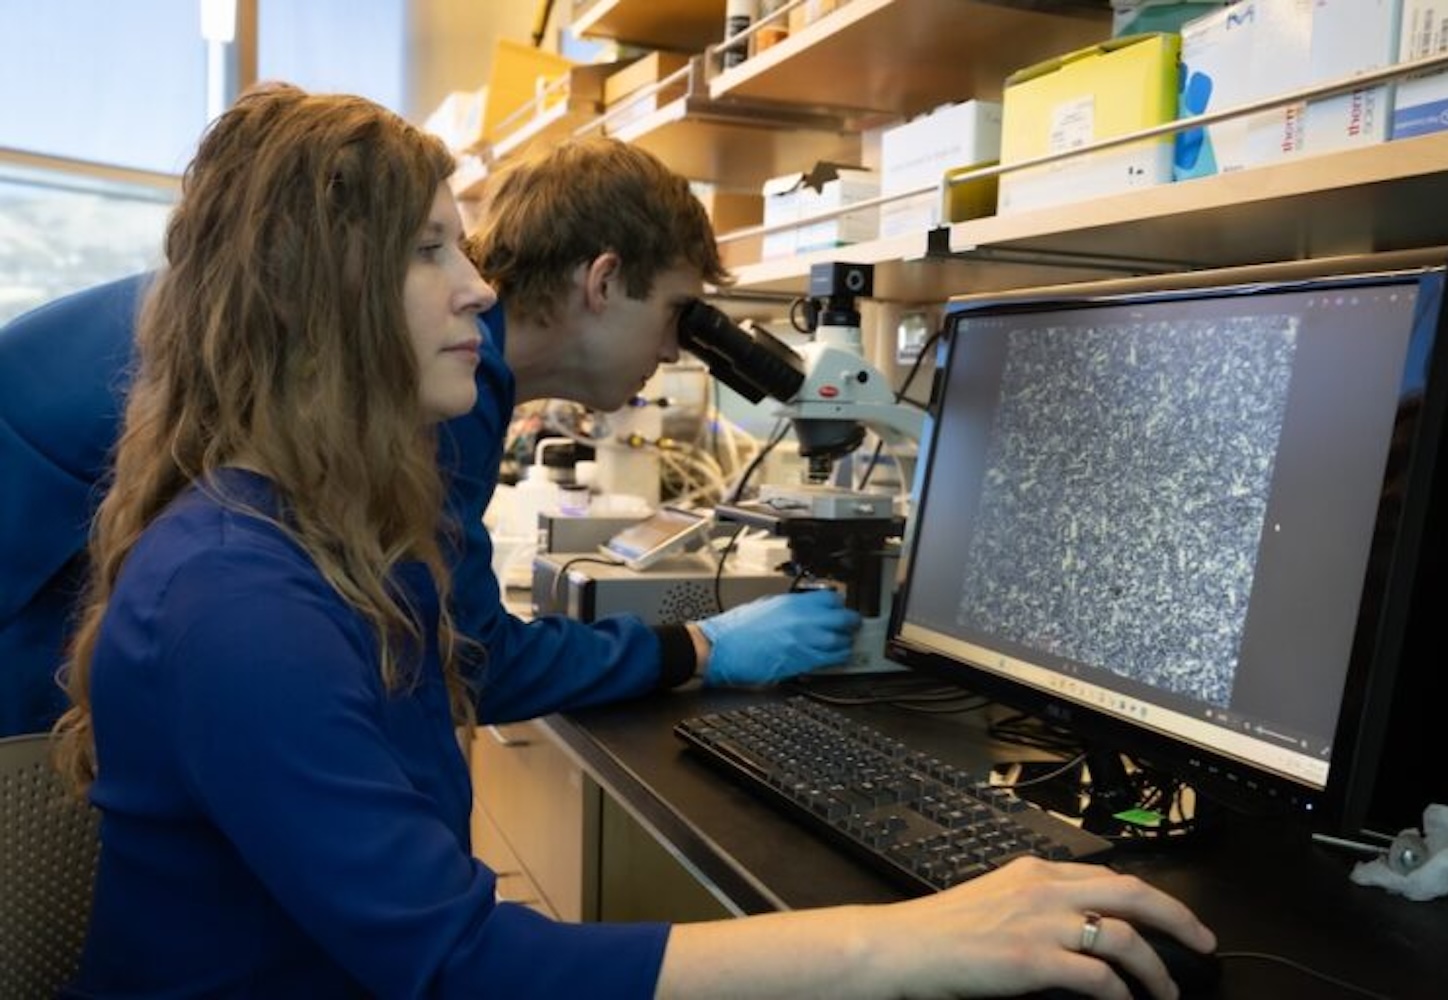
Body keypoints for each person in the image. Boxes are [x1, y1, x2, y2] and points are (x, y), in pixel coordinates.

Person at [51, 82, 1214, 998]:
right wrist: (901, 941)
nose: (475, 289)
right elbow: (458, 966)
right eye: (429, 250)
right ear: (320, 294)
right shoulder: (236, 601)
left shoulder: (343, 540)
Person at [0, 139, 853, 744]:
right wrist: (706, 647)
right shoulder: (445, 378)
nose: (673, 352)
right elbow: (465, 658)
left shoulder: (447, 360)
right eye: (676, 315)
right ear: (602, 280)